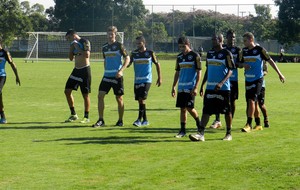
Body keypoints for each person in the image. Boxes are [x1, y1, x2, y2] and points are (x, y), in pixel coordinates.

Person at [189, 33, 235, 142]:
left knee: (227, 111)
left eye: (215, 39)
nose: (213, 41)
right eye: (212, 39)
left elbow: (231, 70)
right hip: (210, 88)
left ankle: (228, 133)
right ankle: (201, 134)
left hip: (223, 89)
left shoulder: (226, 53)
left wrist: (221, 83)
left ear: (220, 40)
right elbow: (208, 69)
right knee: (206, 111)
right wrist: (202, 85)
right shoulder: (210, 53)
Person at [240, 32, 285, 132]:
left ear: (251, 39)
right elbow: (237, 63)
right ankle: (258, 124)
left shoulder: (260, 50)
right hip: (248, 80)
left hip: (258, 79)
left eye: (245, 41)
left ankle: (248, 124)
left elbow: (270, 61)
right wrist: (243, 64)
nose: (243, 43)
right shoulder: (244, 51)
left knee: (252, 100)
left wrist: (279, 74)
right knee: (252, 102)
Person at [93, 26, 130, 127]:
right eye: (108, 34)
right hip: (107, 76)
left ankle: (120, 120)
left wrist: (121, 70)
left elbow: (127, 58)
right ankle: (101, 120)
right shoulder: (104, 47)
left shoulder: (119, 46)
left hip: (117, 76)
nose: (110, 36)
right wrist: (106, 70)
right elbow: (105, 60)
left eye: (112, 34)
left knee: (119, 98)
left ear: (115, 35)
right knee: (100, 96)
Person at [171, 36, 202, 138]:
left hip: (190, 87)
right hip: (181, 87)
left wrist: (196, 87)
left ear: (188, 44)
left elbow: (199, 73)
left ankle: (199, 123)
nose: (182, 49)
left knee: (189, 107)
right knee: (182, 109)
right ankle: (182, 130)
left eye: (183, 46)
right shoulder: (179, 57)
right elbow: (177, 72)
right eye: (180, 47)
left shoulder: (195, 56)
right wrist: (174, 86)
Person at [128, 36, 162, 127]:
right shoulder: (134, 53)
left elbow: (157, 64)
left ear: (144, 43)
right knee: (140, 101)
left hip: (147, 79)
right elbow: (128, 63)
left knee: (141, 99)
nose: (138, 45)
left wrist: (160, 77)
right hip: (137, 80)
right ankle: (145, 120)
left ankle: (138, 120)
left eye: (139, 43)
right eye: (136, 43)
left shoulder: (150, 53)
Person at [64, 29, 91, 123]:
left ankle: (86, 117)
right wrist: (71, 49)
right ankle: (73, 114)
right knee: (67, 91)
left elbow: (87, 55)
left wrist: (78, 47)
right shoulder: (73, 44)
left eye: (69, 38)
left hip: (85, 70)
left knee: (85, 95)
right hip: (76, 70)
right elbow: (71, 59)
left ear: (73, 35)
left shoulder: (84, 41)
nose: (68, 40)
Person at [0, 41, 21, 124]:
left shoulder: (5, 52)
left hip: (1, 76)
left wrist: (17, 76)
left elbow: (12, 64)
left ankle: (3, 115)